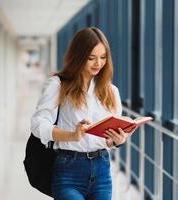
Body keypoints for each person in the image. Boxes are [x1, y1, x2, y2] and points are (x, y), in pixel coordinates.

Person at [30, 27, 137, 200]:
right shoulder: (57, 85)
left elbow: (106, 140)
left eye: (103, 57)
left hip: (101, 170)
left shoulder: (111, 91)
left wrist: (116, 141)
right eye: (91, 58)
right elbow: (38, 124)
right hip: (68, 170)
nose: (98, 63)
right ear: (78, 57)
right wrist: (72, 135)